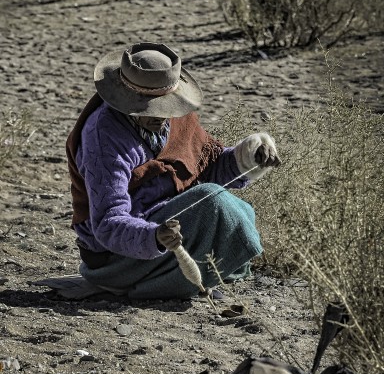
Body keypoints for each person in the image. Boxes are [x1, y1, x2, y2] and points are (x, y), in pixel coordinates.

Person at [66, 42, 281, 300]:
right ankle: (146, 283)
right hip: (116, 259)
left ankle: (185, 277)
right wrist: (154, 236)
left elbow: (208, 166)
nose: (161, 117)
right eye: (150, 108)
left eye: (166, 107)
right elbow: (108, 223)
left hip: (164, 227)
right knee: (212, 201)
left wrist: (250, 155)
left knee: (238, 209)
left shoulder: (177, 117)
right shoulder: (104, 139)